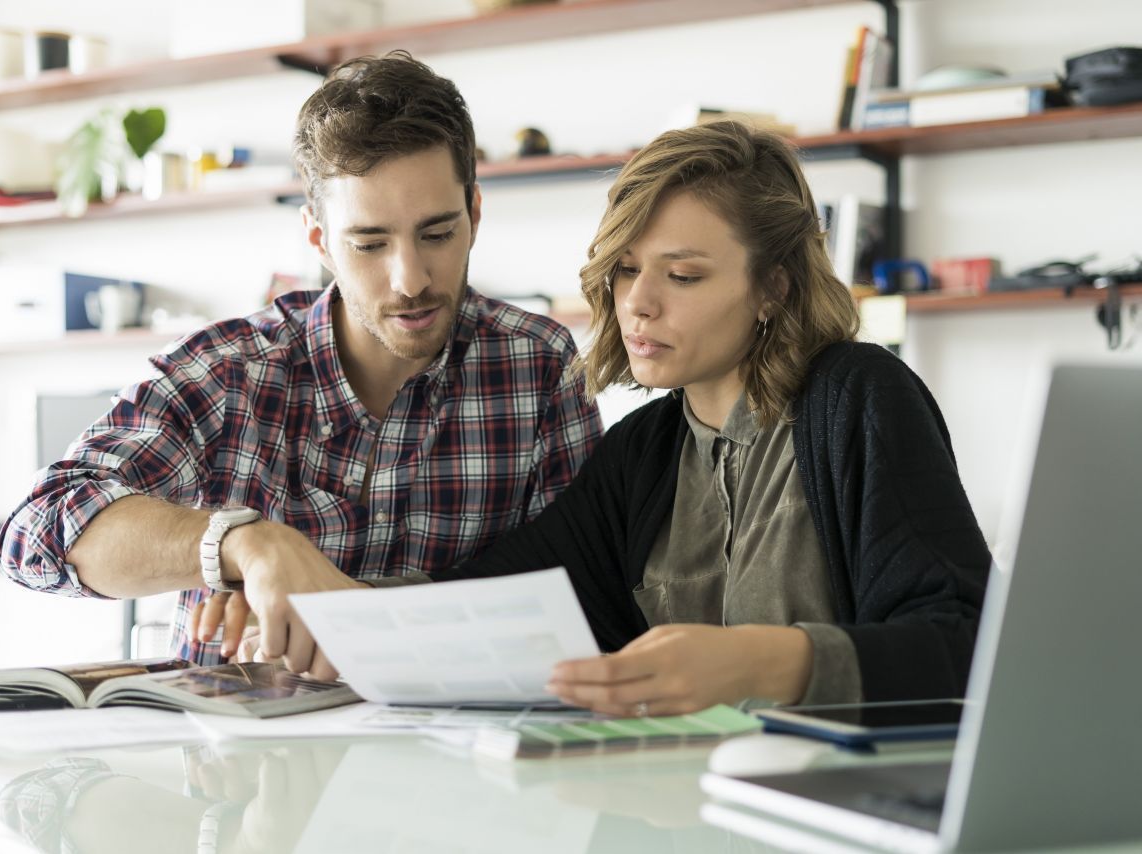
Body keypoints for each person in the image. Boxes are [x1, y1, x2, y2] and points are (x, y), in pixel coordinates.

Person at [217, 120, 991, 713]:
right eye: (624, 271)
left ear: (774, 288)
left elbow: (966, 645)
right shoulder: (643, 453)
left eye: (682, 275)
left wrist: (763, 662)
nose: (637, 304)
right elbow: (492, 601)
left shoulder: (859, 398)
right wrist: (323, 615)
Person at [0, 52, 603, 677]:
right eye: (369, 243)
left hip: (461, 761)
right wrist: (242, 544)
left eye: (438, 234)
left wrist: (359, 616)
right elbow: (36, 532)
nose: (411, 279)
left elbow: (585, 597)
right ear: (318, 240)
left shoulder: (539, 368)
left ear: (474, 214)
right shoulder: (227, 373)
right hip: (239, 765)